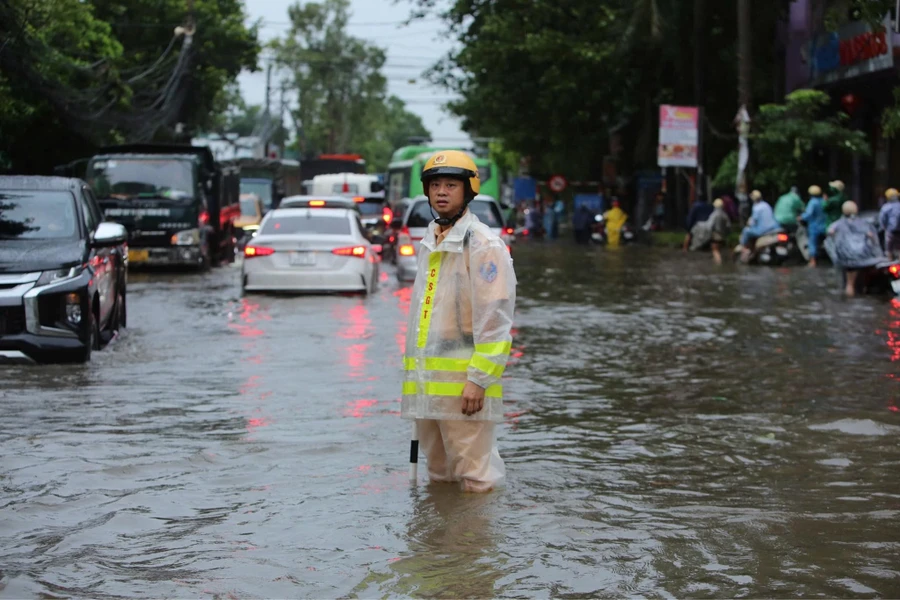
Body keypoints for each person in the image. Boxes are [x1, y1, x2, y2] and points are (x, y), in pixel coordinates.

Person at [401, 150, 516, 493]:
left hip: (465, 387)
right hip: (428, 386)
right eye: (435, 184)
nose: (441, 192)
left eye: (451, 184)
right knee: (439, 479)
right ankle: (440, 547)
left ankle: (473, 545)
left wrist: (480, 379)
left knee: (476, 480)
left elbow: (495, 316)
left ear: (468, 191)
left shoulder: (482, 245)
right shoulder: (430, 241)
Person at [828, 200, 883, 297]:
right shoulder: (863, 223)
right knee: (861, 278)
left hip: (845, 255)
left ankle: (849, 302)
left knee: (849, 284)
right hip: (861, 255)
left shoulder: (839, 223)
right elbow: (871, 236)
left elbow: (830, 232)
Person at [739, 190, 780, 260]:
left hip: (762, 230)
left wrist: (749, 224)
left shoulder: (756, 207)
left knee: (746, 230)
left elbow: (753, 221)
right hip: (774, 228)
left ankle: (744, 247)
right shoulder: (766, 205)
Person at [799, 185, 827, 267]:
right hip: (824, 225)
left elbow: (808, 214)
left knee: (812, 243)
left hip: (814, 227)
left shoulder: (812, 202)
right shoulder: (823, 201)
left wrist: (801, 217)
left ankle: (813, 261)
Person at [707, 198, 731, 265]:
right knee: (720, 250)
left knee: (715, 251)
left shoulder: (714, 215)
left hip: (716, 235)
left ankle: (718, 264)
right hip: (723, 236)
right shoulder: (725, 215)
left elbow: (709, 226)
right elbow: (728, 226)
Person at [878, 187, 900, 260]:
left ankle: (890, 261)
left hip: (890, 231)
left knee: (889, 248)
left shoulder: (886, 207)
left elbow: (882, 219)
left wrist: (883, 228)